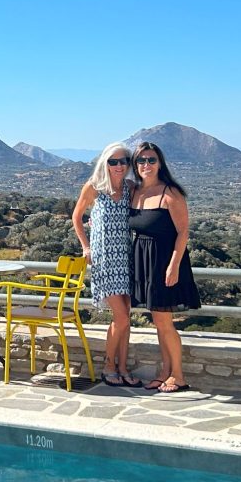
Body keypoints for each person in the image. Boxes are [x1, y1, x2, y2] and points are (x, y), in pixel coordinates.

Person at [128, 141, 200, 393]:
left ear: (160, 163)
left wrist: (173, 266)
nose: (146, 165)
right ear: (134, 165)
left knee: (165, 322)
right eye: (141, 160)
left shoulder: (170, 193)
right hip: (143, 260)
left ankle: (178, 375)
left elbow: (183, 233)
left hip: (164, 261)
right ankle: (164, 371)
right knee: (158, 320)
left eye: (151, 160)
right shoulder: (134, 192)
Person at [72, 142, 138, 387]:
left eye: (124, 161)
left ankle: (122, 367)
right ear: (105, 163)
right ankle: (108, 366)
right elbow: (77, 217)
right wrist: (85, 246)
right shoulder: (94, 188)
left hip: (126, 258)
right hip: (104, 259)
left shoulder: (131, 188)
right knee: (121, 318)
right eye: (113, 161)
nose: (119, 166)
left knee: (126, 317)